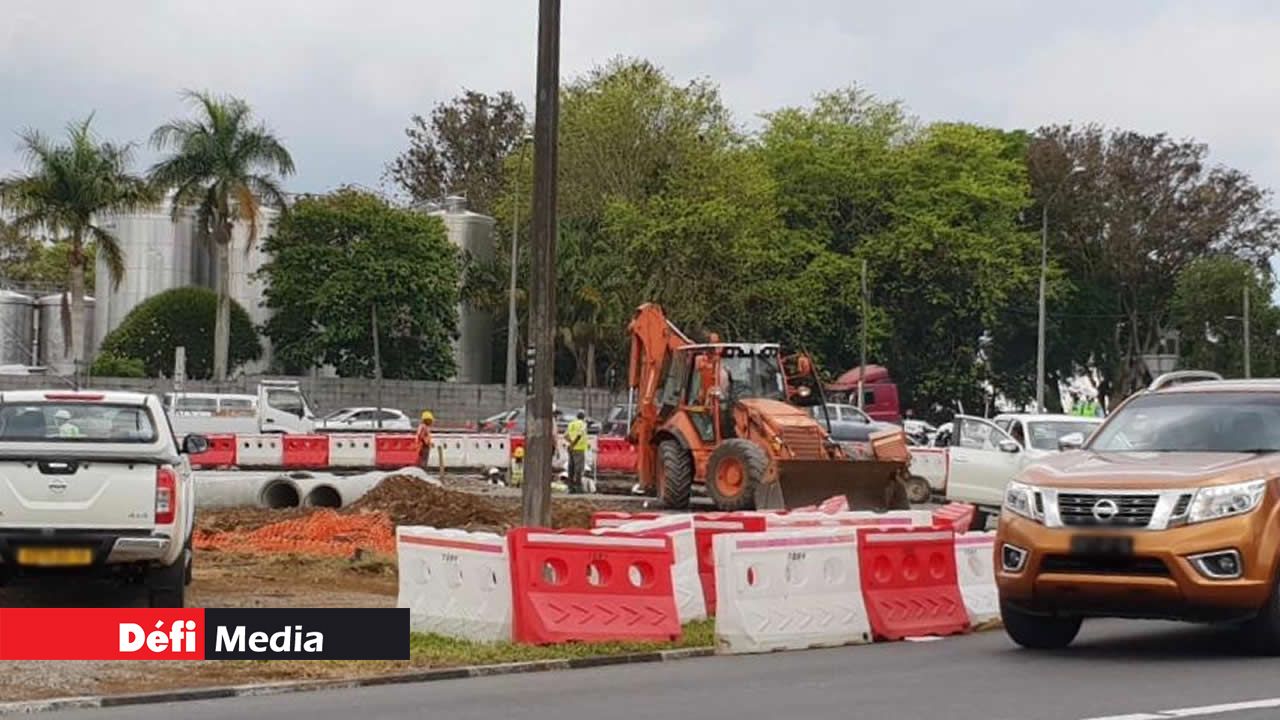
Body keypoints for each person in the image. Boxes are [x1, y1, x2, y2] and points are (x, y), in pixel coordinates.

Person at [565, 411, 589, 494]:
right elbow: (579, 435)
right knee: (579, 468)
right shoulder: (583, 424)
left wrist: (571, 443)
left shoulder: (571, 424)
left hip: (571, 448)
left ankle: (570, 487)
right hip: (579, 449)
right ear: (583, 417)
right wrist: (574, 444)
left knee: (571, 468)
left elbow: (566, 435)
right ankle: (578, 487)